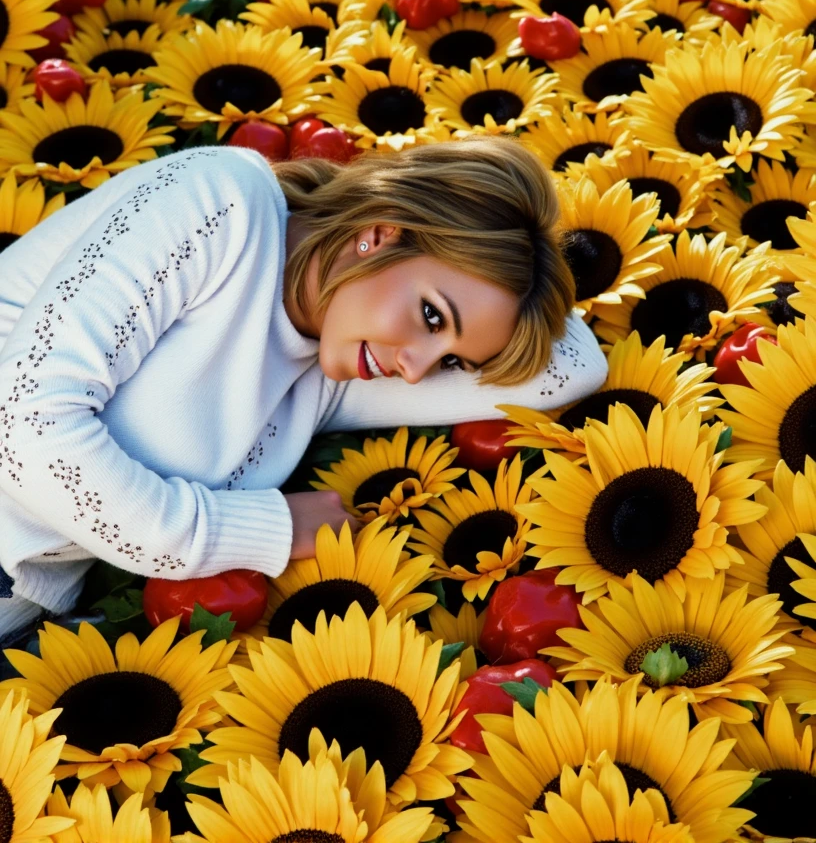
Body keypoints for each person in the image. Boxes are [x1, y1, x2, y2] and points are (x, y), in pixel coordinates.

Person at [0, 134, 607, 644]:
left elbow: (573, 367)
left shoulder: (324, 377)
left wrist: (527, 271)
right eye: (430, 316)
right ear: (381, 231)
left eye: (452, 359)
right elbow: (25, 425)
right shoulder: (222, 205)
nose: (418, 369)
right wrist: (264, 530)